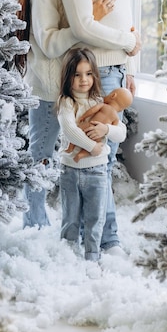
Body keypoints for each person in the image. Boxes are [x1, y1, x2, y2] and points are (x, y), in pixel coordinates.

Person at [16, 0, 116, 229]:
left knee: (68, 152)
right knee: (41, 156)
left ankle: (60, 220)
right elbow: (47, 43)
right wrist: (88, 20)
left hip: (66, 87)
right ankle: (33, 222)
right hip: (48, 89)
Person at [59, 0, 141, 254]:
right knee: (99, 162)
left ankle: (101, 238)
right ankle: (107, 241)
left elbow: (126, 15)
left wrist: (131, 68)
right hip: (99, 71)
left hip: (119, 70)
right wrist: (126, 42)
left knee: (106, 156)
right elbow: (82, 26)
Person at [57, 47, 126, 262]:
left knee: (95, 217)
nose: (83, 80)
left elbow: (121, 132)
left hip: (96, 171)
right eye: (77, 75)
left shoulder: (101, 102)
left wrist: (106, 130)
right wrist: (91, 145)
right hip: (70, 170)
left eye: (88, 74)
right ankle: (68, 253)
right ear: (68, 77)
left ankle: (92, 255)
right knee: (71, 216)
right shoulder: (67, 102)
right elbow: (69, 129)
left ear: (95, 76)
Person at [65, 87, 133, 162]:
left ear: (113, 95)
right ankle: (81, 154)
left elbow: (92, 110)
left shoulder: (103, 106)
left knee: (77, 129)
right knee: (97, 147)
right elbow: (114, 128)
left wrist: (83, 117)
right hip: (97, 135)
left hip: (89, 125)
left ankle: (70, 147)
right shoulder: (116, 118)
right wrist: (107, 129)